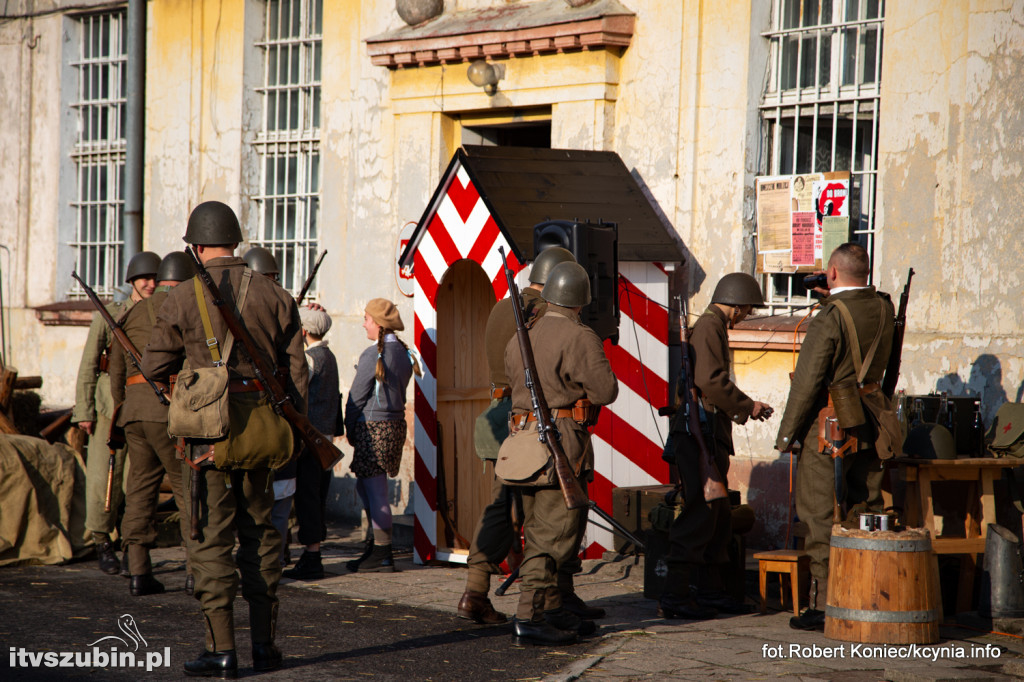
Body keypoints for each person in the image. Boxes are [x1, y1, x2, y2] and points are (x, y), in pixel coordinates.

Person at [142, 201, 308, 677]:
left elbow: (153, 365)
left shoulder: (181, 297)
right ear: (235, 240)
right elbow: (298, 371)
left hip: (205, 437)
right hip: (261, 432)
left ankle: (222, 650)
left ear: (195, 245)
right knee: (261, 535)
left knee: (211, 541)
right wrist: (290, 426)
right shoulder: (275, 294)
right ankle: (266, 648)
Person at [459, 246, 606, 625]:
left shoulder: (503, 307)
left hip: (508, 418)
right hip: (533, 422)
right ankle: (544, 599)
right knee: (537, 513)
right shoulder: (538, 313)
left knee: (510, 509)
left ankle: (505, 592)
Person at [775, 243, 894, 631]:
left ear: (831, 273)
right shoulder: (884, 307)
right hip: (873, 418)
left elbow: (807, 381)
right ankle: (872, 591)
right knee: (868, 505)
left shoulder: (829, 317)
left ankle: (827, 603)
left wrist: (786, 434)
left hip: (829, 423)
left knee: (819, 511)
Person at [504, 261, 618, 645]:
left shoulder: (521, 336)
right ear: (580, 302)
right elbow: (606, 391)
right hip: (560, 442)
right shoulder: (578, 336)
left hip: (523, 444)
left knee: (539, 528)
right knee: (551, 537)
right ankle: (530, 616)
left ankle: (552, 609)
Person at [658, 273, 772, 620]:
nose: (747, 314)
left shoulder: (713, 326)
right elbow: (709, 380)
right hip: (699, 434)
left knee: (718, 514)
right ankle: (676, 593)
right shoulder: (710, 327)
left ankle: (710, 591)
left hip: (706, 431)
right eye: (747, 308)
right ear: (737, 305)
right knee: (701, 510)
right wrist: (747, 405)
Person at [109, 251, 195, 597]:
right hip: (169, 411)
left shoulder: (129, 312)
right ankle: (196, 571)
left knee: (140, 490)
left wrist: (123, 407)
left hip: (134, 412)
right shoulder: (182, 309)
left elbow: (116, 371)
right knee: (186, 489)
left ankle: (138, 570)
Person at [72, 250, 159, 576]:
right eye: (144, 278)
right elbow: (89, 366)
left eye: (154, 278)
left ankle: (130, 545)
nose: (150, 284)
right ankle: (101, 541)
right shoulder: (109, 315)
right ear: (132, 281)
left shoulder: (160, 315)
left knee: (134, 482)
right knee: (102, 479)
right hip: (109, 407)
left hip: (141, 406)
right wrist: (85, 410)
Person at [344, 298, 418, 573]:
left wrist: (350, 427)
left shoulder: (372, 354)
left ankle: (383, 554)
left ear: (377, 323)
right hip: (394, 426)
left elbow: (356, 397)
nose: (364, 324)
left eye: (366, 319)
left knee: (375, 491)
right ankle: (376, 547)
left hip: (372, 426)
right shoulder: (404, 352)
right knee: (366, 487)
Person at [282, 306, 340, 581]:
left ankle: (312, 556)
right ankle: (311, 554)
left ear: (303, 331)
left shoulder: (311, 359)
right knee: (315, 498)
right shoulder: (329, 355)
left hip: (311, 439)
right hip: (324, 437)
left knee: (307, 499)